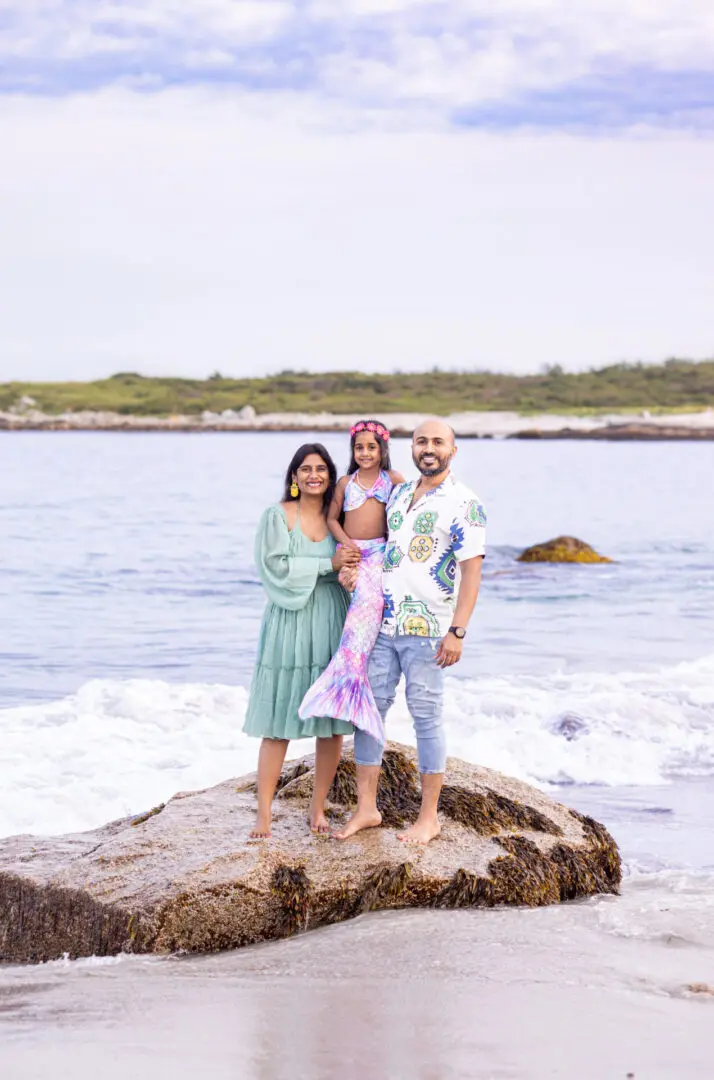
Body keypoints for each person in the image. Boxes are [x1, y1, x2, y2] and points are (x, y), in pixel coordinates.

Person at [334, 419, 487, 845]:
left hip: (430, 630)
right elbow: (377, 549)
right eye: (421, 441)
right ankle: (367, 808)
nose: (429, 448)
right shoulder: (398, 494)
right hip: (384, 623)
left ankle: (429, 818)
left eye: (438, 442)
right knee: (370, 711)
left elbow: (472, 572)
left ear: (453, 450)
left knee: (426, 718)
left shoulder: (464, 503)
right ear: (411, 448)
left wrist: (458, 631)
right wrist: (352, 570)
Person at [243, 443, 361, 838]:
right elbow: (273, 567)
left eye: (322, 469)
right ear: (294, 477)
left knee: (331, 724)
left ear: (330, 476)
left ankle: (318, 807)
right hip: (290, 623)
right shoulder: (277, 516)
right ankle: (263, 813)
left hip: (331, 618)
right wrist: (327, 564)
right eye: (305, 469)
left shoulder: (338, 518)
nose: (314, 475)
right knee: (279, 720)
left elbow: (360, 554)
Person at [299, 420, 404, 739]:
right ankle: (343, 685)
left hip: (382, 556)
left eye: (371, 447)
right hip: (355, 554)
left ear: (383, 449)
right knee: (356, 624)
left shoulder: (394, 480)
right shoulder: (346, 482)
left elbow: (403, 520)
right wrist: (347, 545)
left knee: (368, 615)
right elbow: (332, 518)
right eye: (359, 447)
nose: (365, 452)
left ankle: (354, 688)